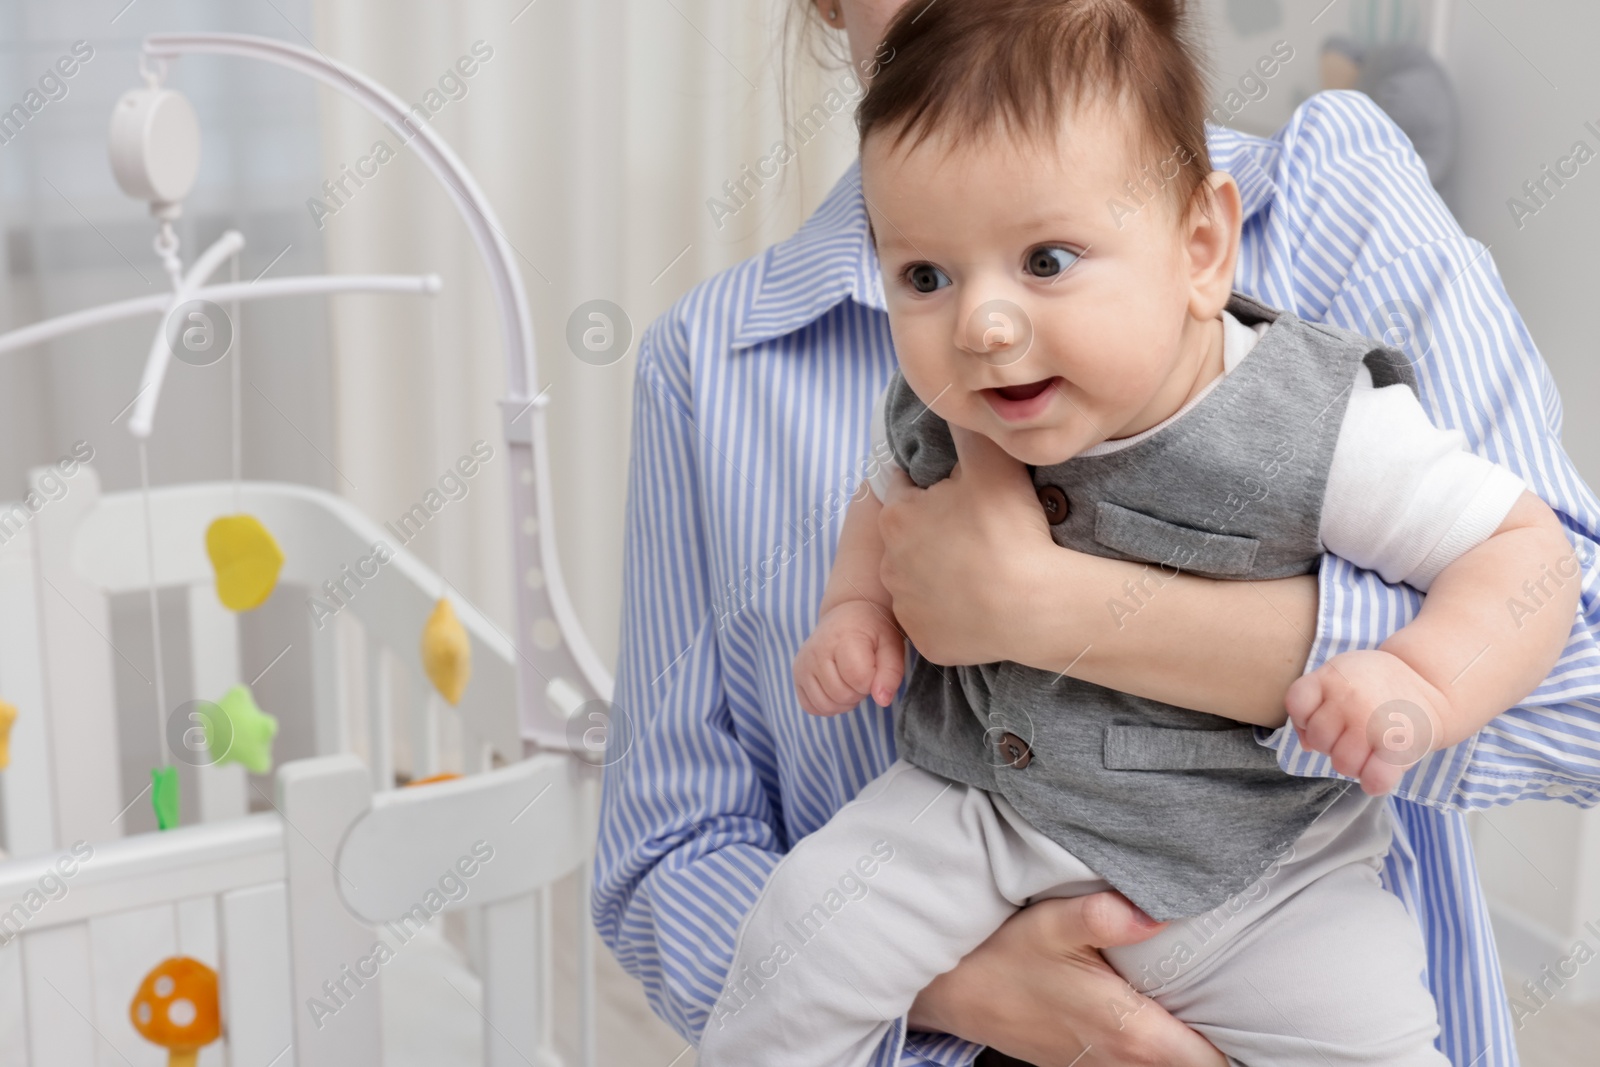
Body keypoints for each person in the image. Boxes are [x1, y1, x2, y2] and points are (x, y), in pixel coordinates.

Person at [593, 0, 1600, 1063]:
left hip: (1262, 874)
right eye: (925, 277)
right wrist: (856, 611)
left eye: (1046, 260)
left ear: (1202, 247)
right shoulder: (722, 363)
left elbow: (1542, 587)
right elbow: (668, 847)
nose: (983, 325)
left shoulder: (1310, 354)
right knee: (799, 933)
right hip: (971, 817)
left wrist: (1419, 680)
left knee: (1370, 1025)